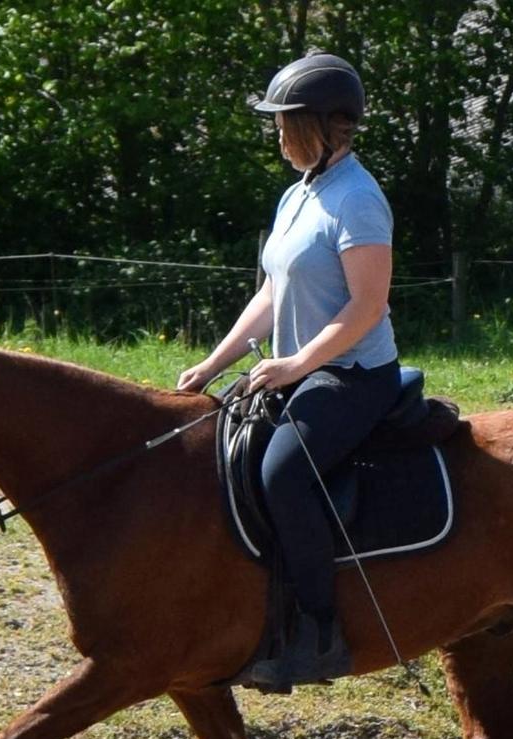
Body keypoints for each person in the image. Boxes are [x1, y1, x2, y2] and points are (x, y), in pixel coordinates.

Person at [177, 54, 401, 688]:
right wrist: (213, 362)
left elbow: (368, 305)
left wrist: (298, 362)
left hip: (352, 375)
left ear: (327, 128)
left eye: (286, 124)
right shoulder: (299, 195)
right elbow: (271, 293)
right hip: (297, 371)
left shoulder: (357, 201)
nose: (277, 135)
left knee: (282, 475)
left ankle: (320, 627)